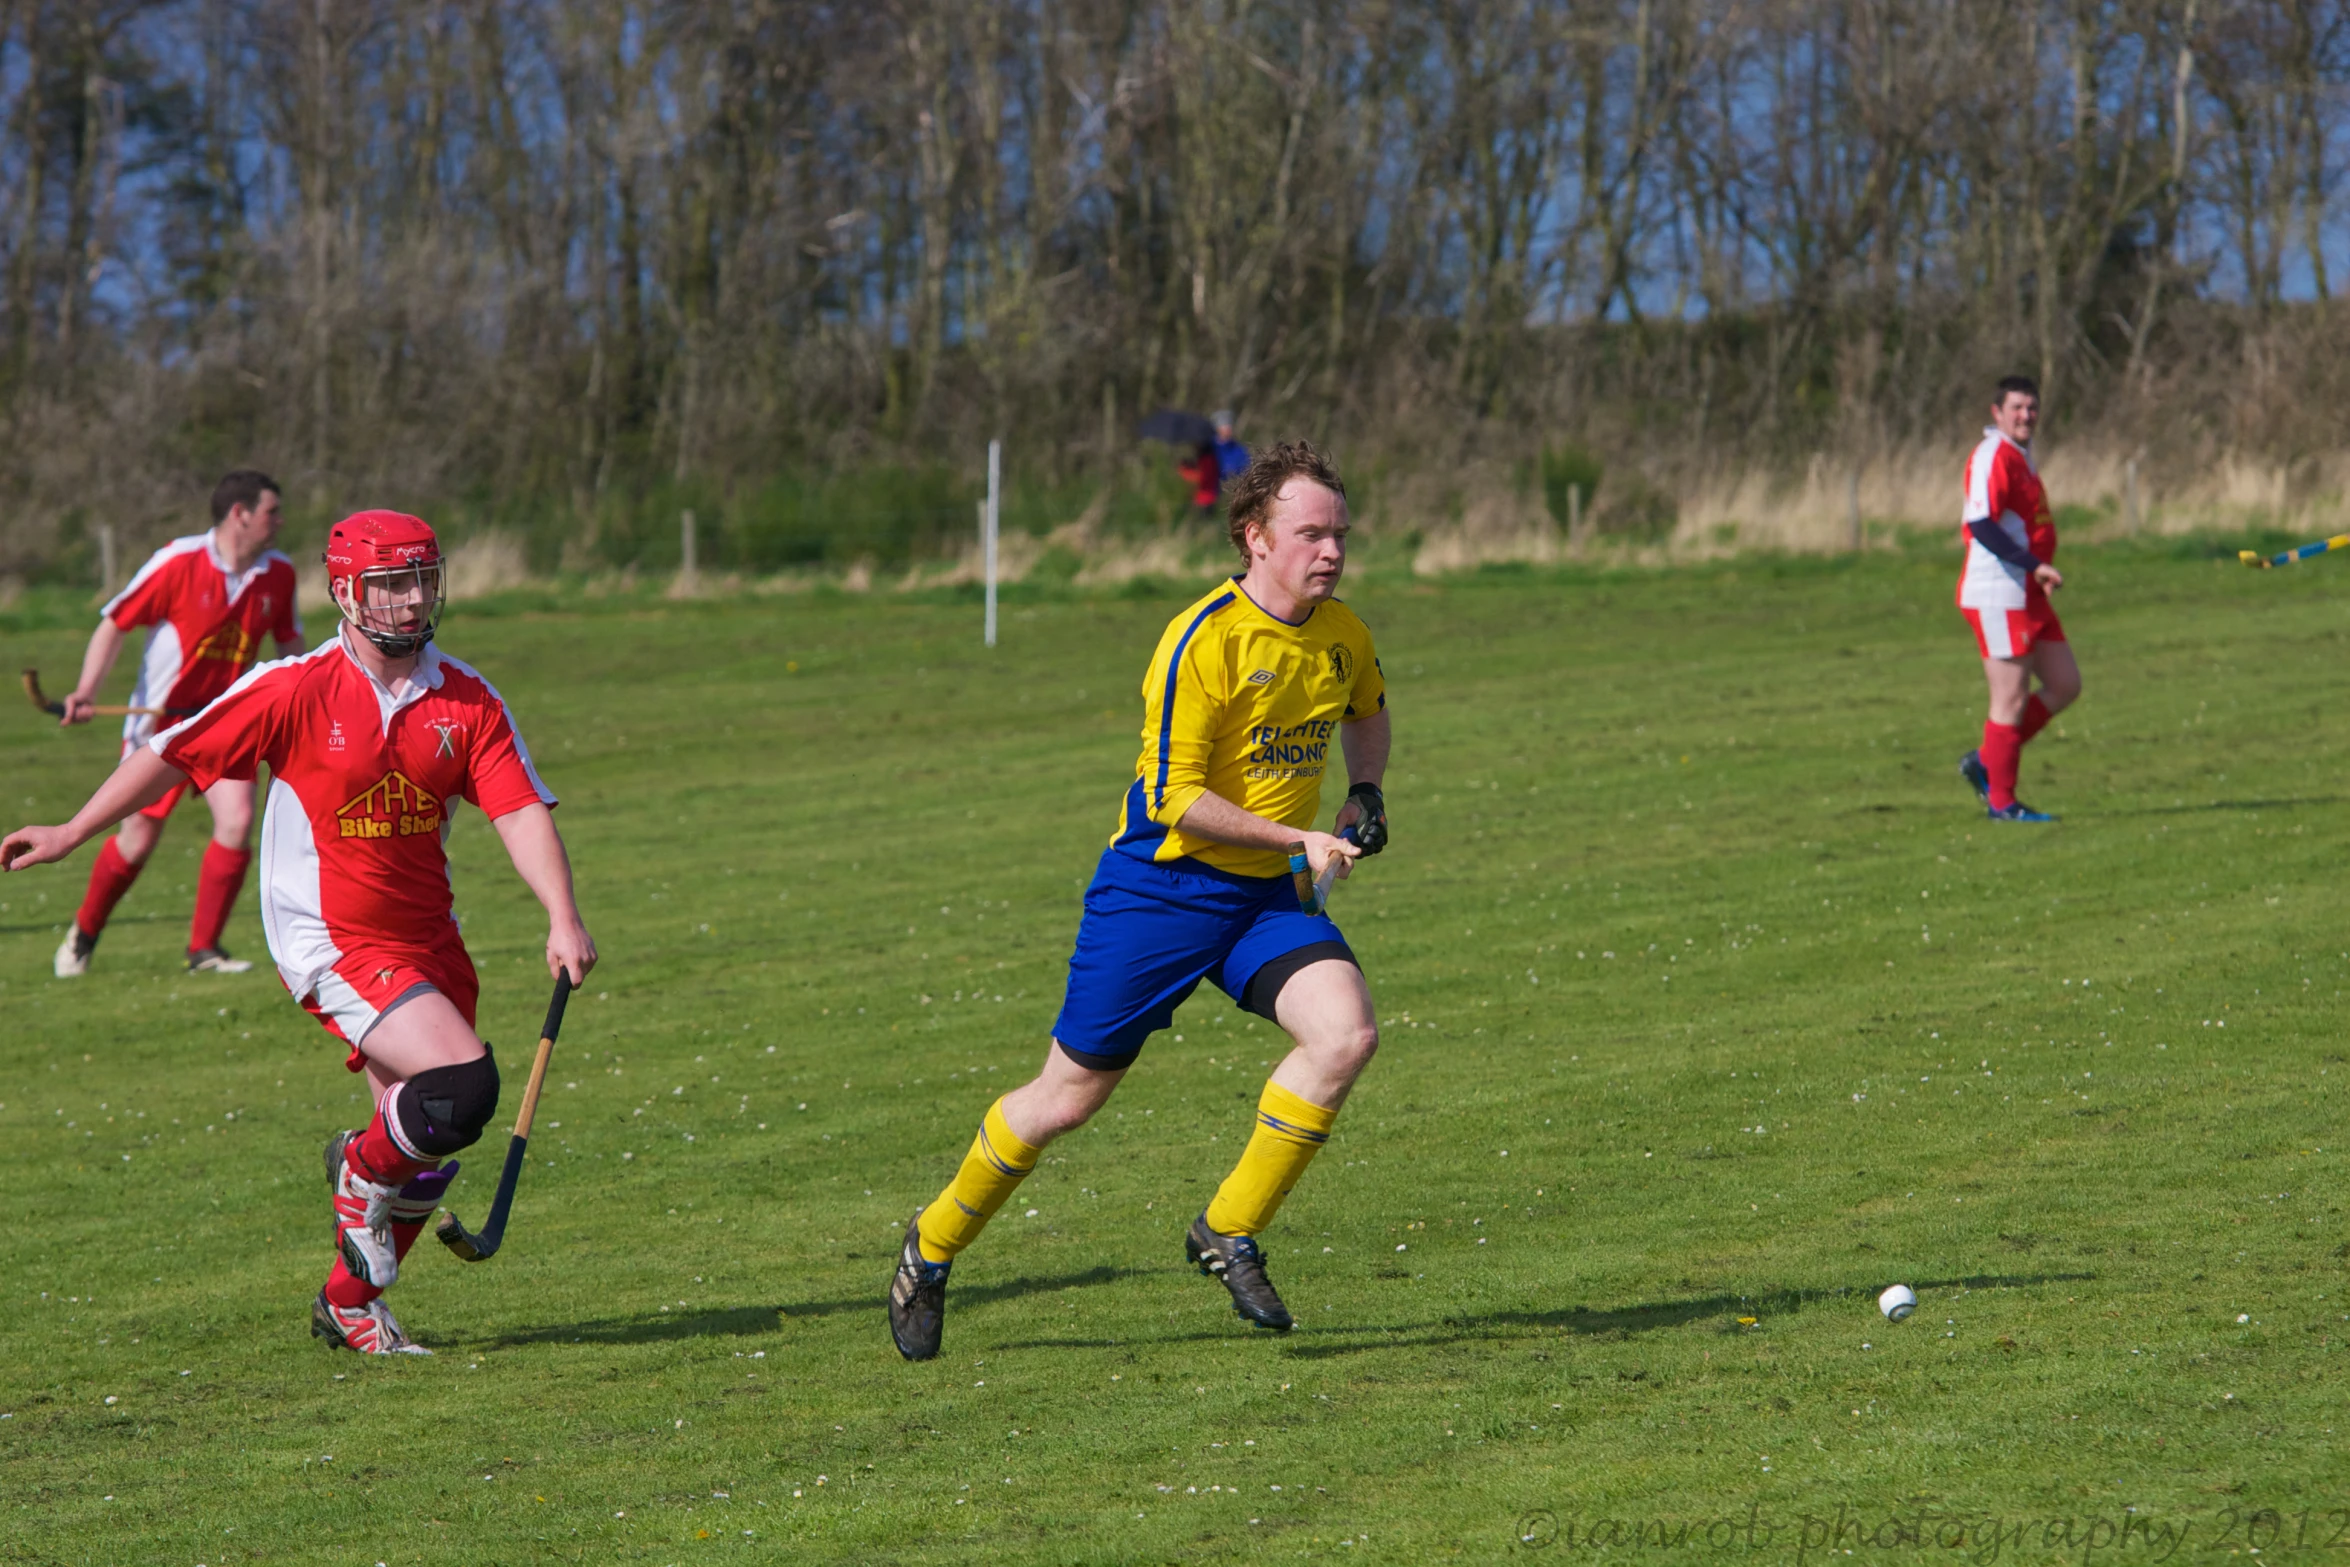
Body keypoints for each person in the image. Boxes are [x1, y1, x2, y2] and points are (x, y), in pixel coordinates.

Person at [3, 510, 596, 1356]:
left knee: (427, 1142)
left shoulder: (465, 698)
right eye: (390, 583)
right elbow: (172, 752)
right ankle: (354, 1167)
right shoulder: (294, 686)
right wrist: (70, 830)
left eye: (421, 579)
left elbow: (519, 811)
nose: (410, 599)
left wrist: (561, 914)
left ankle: (348, 1306)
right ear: (347, 592)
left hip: (427, 938)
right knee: (462, 1088)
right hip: (330, 934)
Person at [889, 440, 1391, 1361]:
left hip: (1265, 902)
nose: (1330, 550)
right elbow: (1176, 798)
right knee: (1065, 1100)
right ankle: (931, 1247)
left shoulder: (1341, 633)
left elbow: (1366, 707)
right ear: (1255, 537)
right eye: (1309, 532)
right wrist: (1299, 837)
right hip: (1160, 891)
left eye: (1340, 534)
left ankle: (1226, 1229)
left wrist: (1365, 795)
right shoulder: (1202, 639)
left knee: (1345, 1033)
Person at [53, 470, 304, 977]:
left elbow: (290, 648)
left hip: (228, 724)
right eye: (271, 512)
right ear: (240, 514)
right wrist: (86, 692)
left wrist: (304, 702)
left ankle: (203, 951)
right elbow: (114, 622)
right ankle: (84, 933)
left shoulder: (279, 573)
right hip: (161, 727)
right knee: (137, 841)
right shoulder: (177, 562)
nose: (280, 521)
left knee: (235, 823)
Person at [1955, 375, 2078, 822]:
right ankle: (2002, 803)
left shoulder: (2020, 457)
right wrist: (2032, 564)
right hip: (1997, 594)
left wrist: (2036, 570)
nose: (2026, 415)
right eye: (2017, 407)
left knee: (2065, 684)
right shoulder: (1992, 456)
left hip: (2027, 592)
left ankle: (1986, 760)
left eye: (2032, 407)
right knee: (2009, 699)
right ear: (1997, 412)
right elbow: (1981, 524)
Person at [1177, 441, 1222, 517]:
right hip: (1204, 461)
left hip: (1212, 460)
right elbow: (1197, 478)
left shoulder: (1215, 495)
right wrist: (1182, 470)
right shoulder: (1201, 497)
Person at [1212, 410, 1249, 493]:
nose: (1228, 430)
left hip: (1228, 490)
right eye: (1224, 426)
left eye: (1229, 426)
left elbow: (1246, 468)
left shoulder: (1239, 450)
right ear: (1217, 428)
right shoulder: (1208, 447)